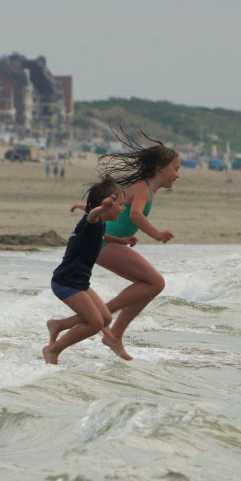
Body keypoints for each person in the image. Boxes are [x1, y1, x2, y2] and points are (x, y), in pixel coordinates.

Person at [48, 130, 179, 360]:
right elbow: (136, 214)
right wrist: (156, 234)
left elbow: (111, 205)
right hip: (103, 243)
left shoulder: (144, 189)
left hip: (108, 241)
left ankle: (110, 329)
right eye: (175, 168)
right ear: (161, 167)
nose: (177, 175)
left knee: (152, 283)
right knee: (155, 282)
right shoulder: (142, 188)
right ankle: (108, 325)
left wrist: (87, 208)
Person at [42, 176, 135, 364]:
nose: (123, 208)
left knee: (106, 318)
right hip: (66, 282)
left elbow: (102, 235)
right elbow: (93, 214)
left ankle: (58, 325)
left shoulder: (99, 225)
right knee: (94, 323)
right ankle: (53, 350)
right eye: (121, 204)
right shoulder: (90, 221)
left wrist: (121, 241)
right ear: (106, 206)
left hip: (80, 282)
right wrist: (103, 206)